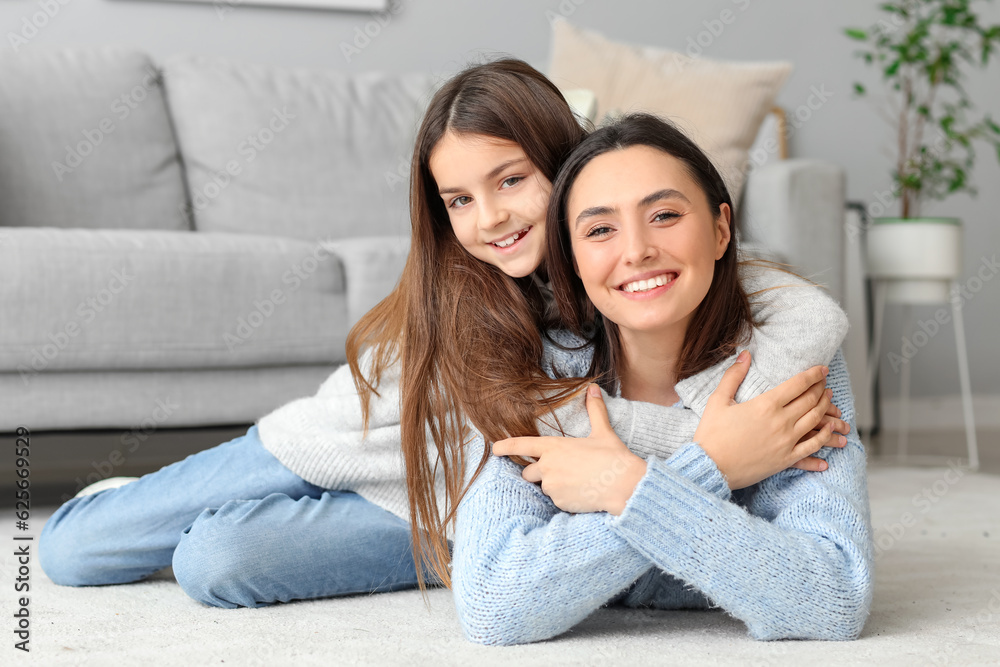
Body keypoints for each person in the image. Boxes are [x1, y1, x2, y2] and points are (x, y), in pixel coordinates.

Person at [39, 60, 847, 610]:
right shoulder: (469, 300)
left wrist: (756, 420)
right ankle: (140, 498)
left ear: (565, 167)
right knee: (74, 553)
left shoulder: (630, 260)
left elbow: (811, 313)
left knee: (212, 564)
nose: (489, 218)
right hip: (339, 447)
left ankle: (218, 523)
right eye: (458, 200)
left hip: (442, 504)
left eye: (510, 181)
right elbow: (548, 431)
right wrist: (725, 450)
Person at [449, 112, 873, 645]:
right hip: (400, 482)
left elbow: (833, 597)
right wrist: (712, 465)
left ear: (722, 229)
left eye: (665, 215)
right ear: (572, 260)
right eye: (600, 229)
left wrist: (626, 487)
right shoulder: (532, 371)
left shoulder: (789, 367)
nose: (636, 251)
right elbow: (495, 602)